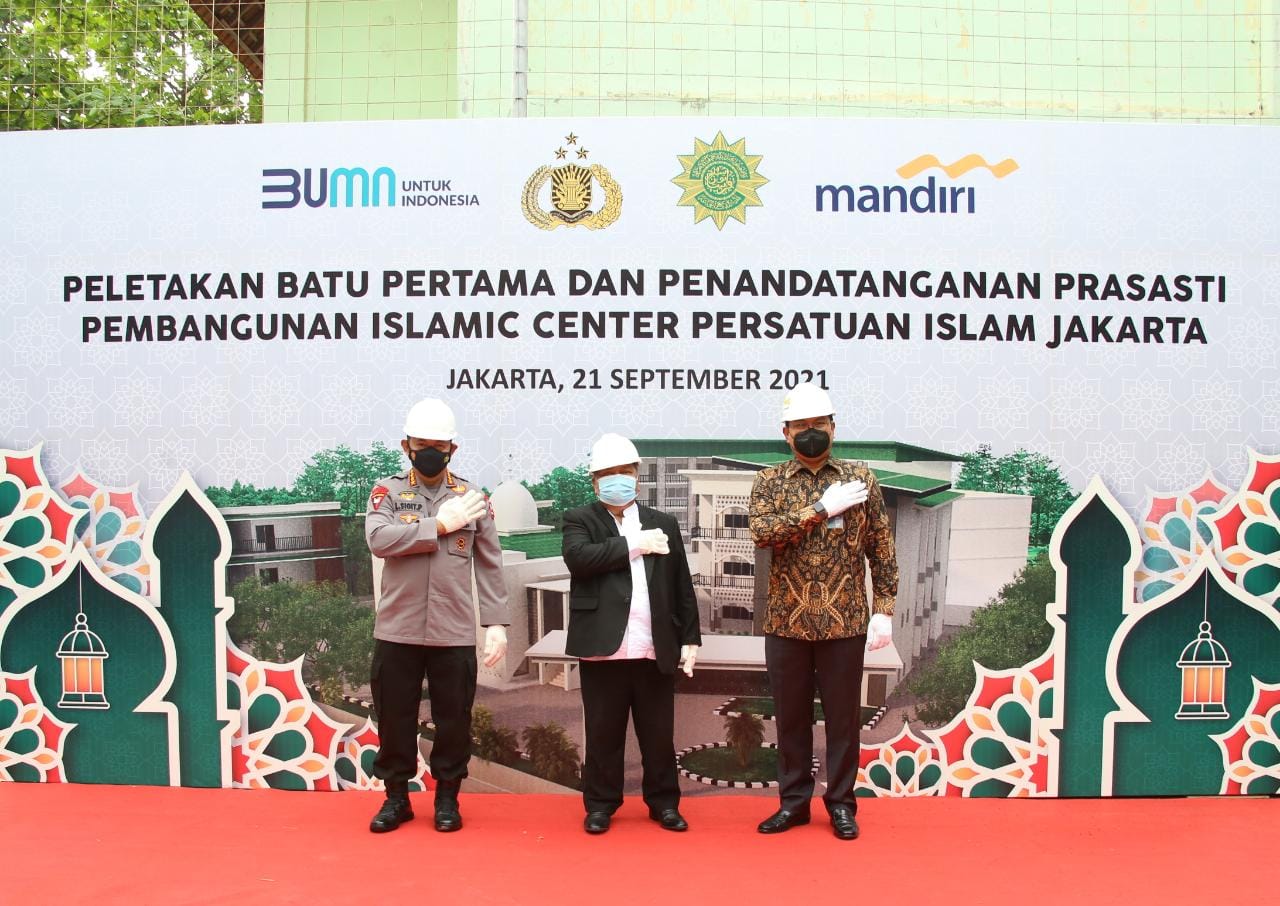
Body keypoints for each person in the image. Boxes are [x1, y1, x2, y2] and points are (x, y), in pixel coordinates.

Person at [748, 383, 897, 840]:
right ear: (785, 433)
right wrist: (819, 508)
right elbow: (763, 533)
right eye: (800, 426)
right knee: (791, 719)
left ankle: (842, 806)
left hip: (845, 622)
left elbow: (881, 547)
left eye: (818, 424)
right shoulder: (769, 481)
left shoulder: (860, 478)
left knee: (843, 721)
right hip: (786, 622)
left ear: (833, 427)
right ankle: (793, 804)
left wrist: (884, 608)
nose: (810, 432)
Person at [364, 397, 509, 833]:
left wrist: (495, 623)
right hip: (398, 628)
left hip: (453, 631)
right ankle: (396, 799)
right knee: (395, 718)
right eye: (421, 445)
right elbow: (379, 539)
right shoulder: (388, 492)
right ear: (406, 446)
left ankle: (447, 798)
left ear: (452, 449)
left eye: (439, 446)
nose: (430, 452)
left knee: (453, 720)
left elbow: (490, 563)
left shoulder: (473, 499)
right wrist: (439, 526)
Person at [561, 433, 702, 835]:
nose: (617, 479)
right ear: (594, 481)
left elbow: (681, 584)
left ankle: (664, 804)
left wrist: (690, 638)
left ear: (637, 476)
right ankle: (600, 805)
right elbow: (579, 559)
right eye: (608, 473)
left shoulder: (664, 523)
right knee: (602, 735)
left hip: (652, 647)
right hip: (603, 648)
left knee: (658, 735)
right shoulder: (580, 519)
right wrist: (634, 543)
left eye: (624, 471)